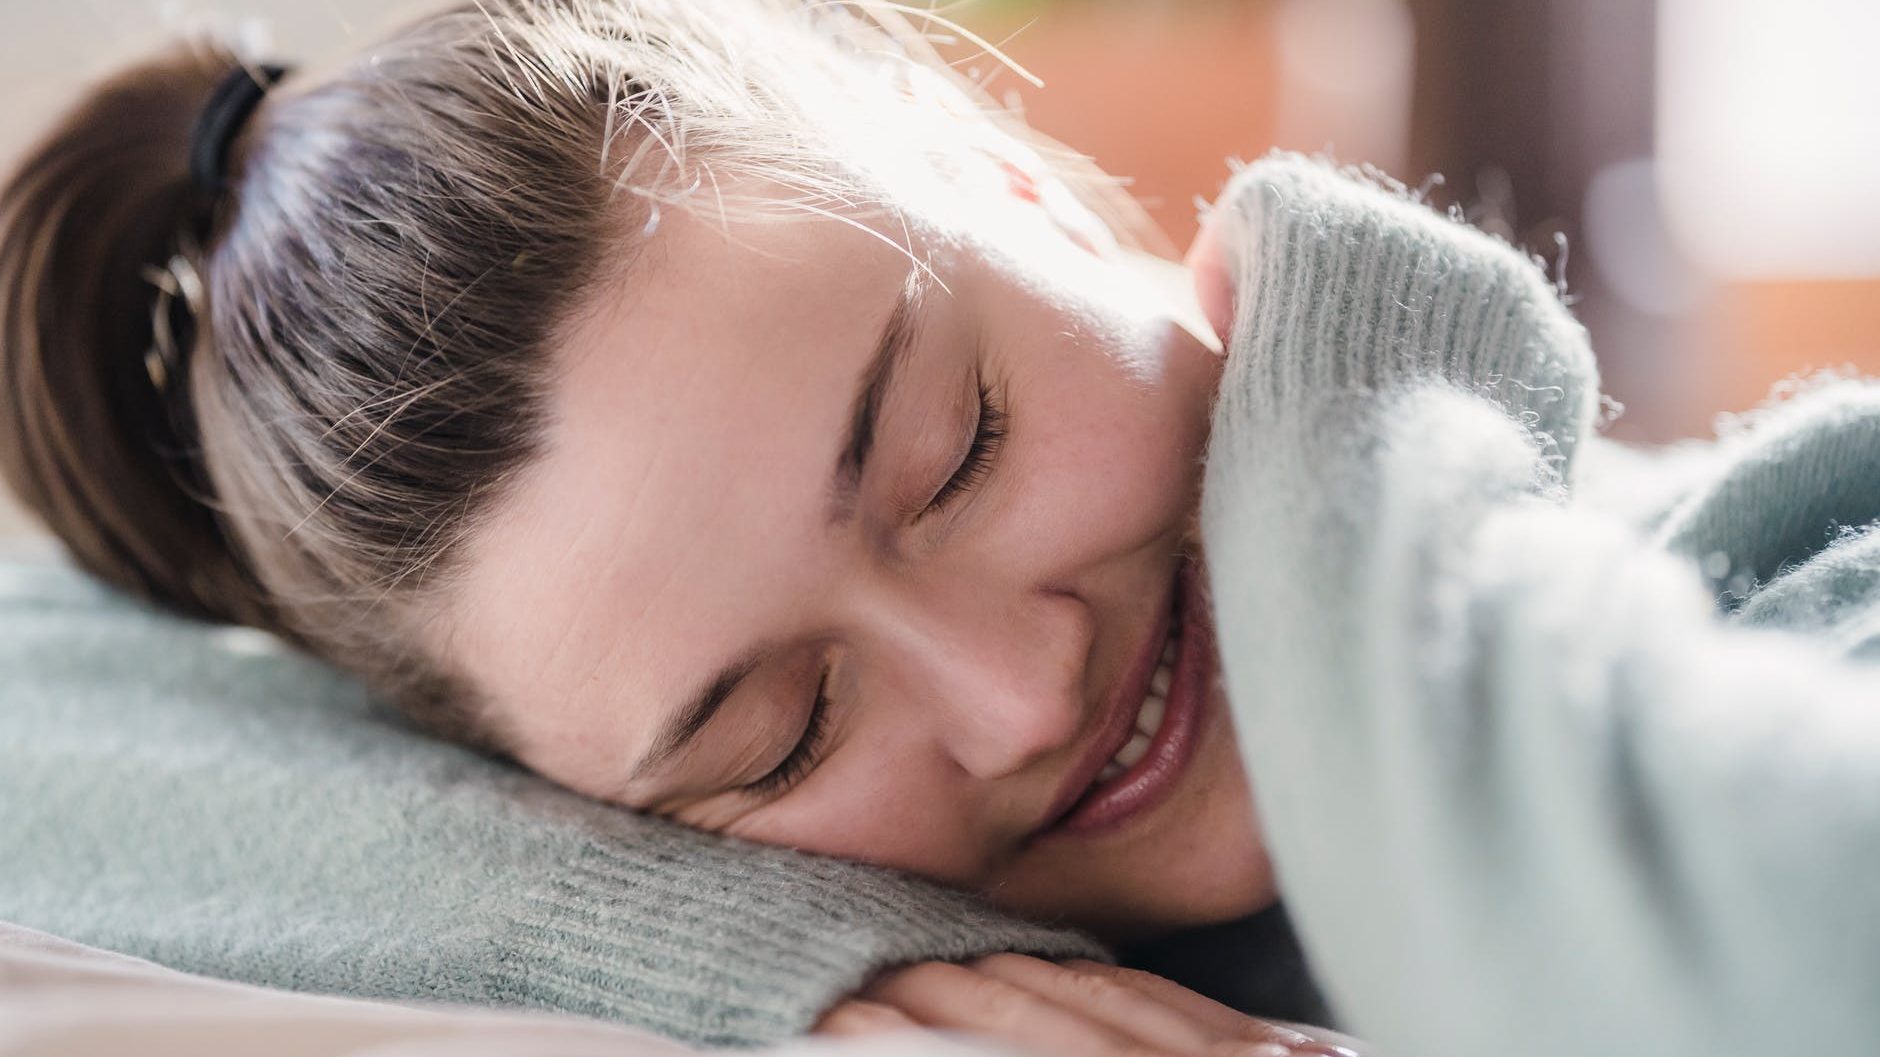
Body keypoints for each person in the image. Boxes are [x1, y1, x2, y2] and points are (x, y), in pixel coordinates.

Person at [2, 1, 1876, 1055]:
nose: (1021, 687)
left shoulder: (1807, 554)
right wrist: (691, 940)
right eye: (780, 732)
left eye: (957, 445)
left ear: (993, 167)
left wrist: (1362, 423)